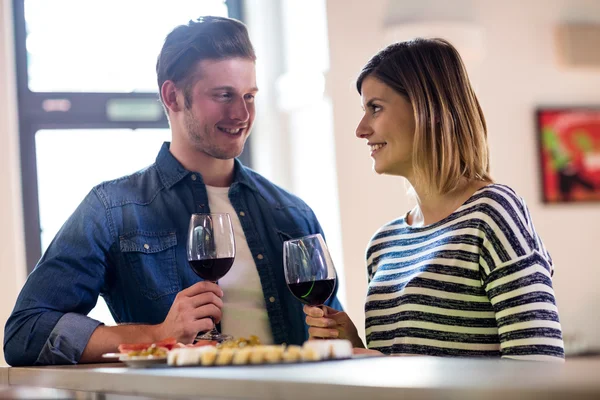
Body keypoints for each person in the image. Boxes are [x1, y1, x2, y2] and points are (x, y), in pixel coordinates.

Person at [4, 16, 341, 366]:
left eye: (249, 96)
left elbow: (332, 336)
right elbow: (25, 332)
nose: (242, 113)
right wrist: (158, 334)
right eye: (224, 95)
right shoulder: (113, 210)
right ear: (173, 96)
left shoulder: (292, 212)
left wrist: (341, 335)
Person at [304, 38, 564, 361]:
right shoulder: (383, 245)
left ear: (430, 110)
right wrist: (355, 343)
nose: (361, 129)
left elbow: (540, 367)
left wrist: (385, 365)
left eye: (375, 108)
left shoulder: (493, 213)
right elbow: (400, 368)